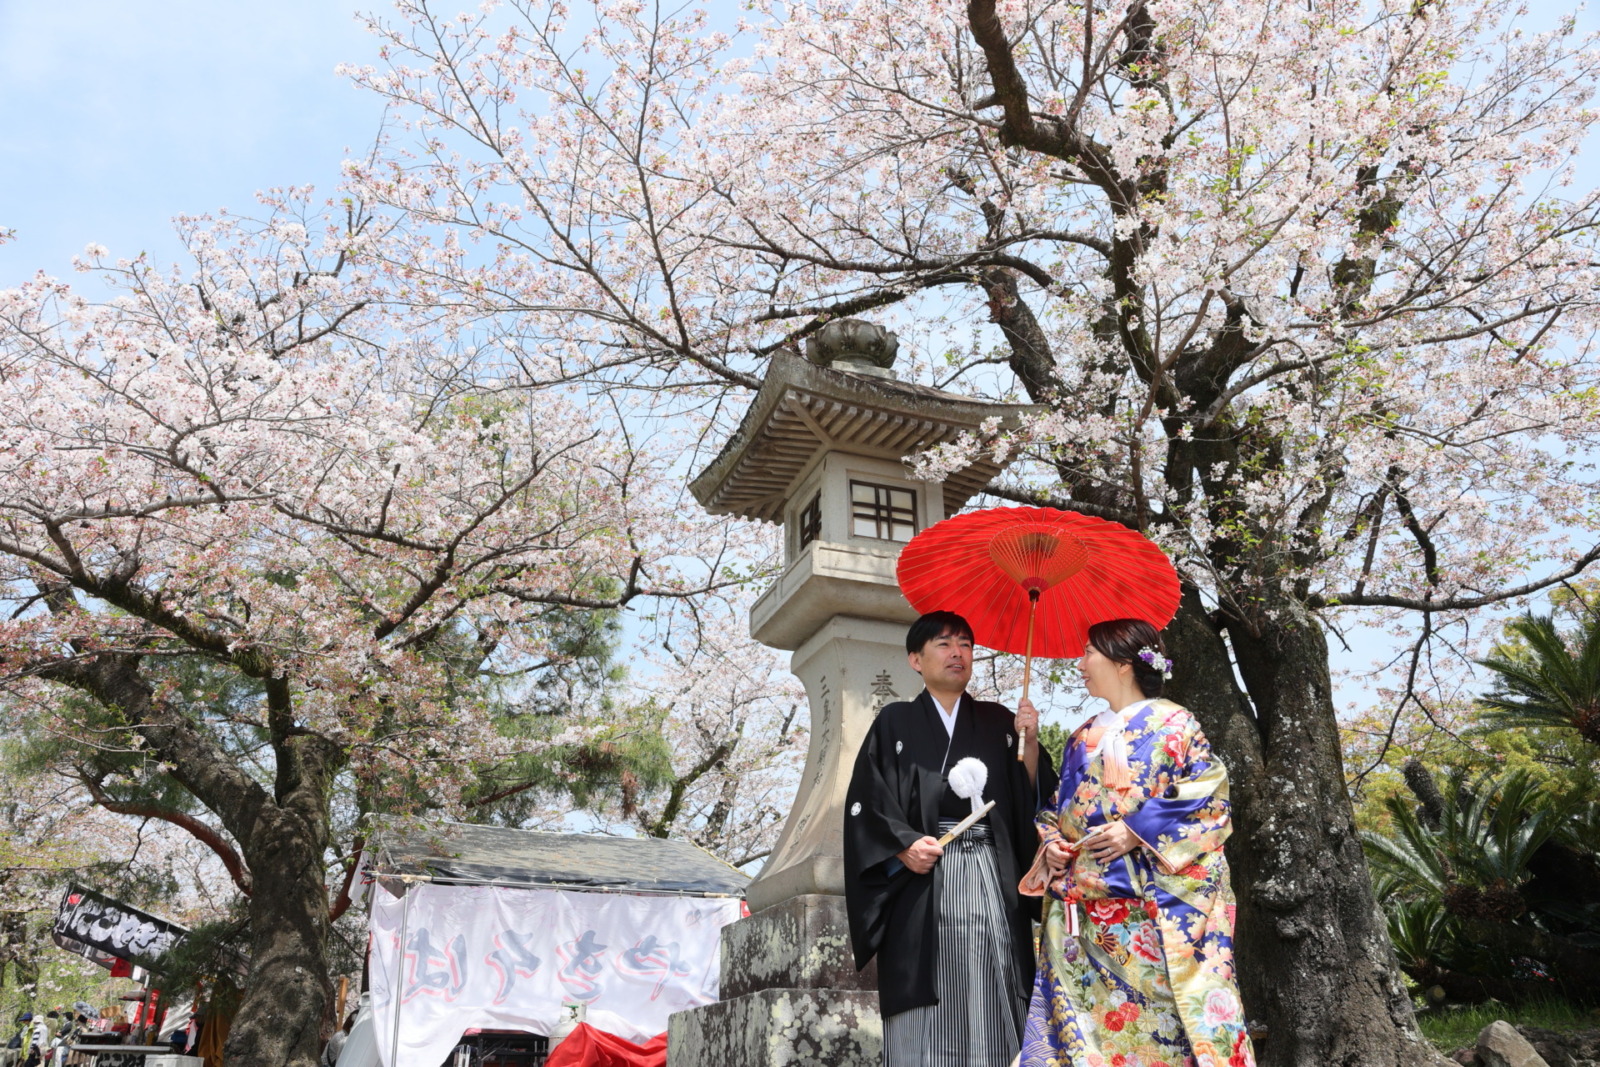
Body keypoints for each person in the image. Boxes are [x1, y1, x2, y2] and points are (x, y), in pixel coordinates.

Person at [1020, 618, 1255, 1067]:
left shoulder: (1174, 723)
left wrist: (1136, 830)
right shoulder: (1079, 738)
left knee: (1159, 1033)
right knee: (1087, 1034)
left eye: (1089, 651)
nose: (1080, 662)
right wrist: (1051, 840)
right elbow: (1056, 808)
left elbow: (1209, 793)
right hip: (1085, 920)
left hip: (1149, 915)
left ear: (1123, 662)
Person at [844, 610, 1058, 1066]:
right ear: (915, 660)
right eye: (943, 644)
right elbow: (868, 801)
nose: (957, 652)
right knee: (930, 991)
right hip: (923, 878)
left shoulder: (1000, 722)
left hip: (992, 876)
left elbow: (1032, 799)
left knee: (998, 979)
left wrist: (1032, 743)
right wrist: (902, 846)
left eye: (965, 643)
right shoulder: (895, 722)